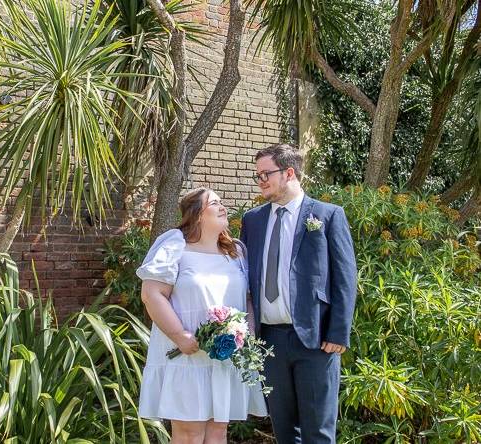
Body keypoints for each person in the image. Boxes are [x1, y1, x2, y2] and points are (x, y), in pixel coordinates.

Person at [240, 143, 357, 444]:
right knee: (283, 429)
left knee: (318, 431)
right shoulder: (252, 221)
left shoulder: (328, 215)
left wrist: (339, 332)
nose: (261, 180)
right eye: (258, 175)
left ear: (289, 172)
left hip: (316, 340)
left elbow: (345, 278)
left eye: (266, 174)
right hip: (270, 341)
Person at [136, 187, 267, 444]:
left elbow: (249, 299)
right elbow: (152, 294)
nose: (223, 206)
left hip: (224, 358)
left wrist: (245, 335)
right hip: (186, 358)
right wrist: (181, 336)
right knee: (189, 435)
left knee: (218, 432)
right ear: (197, 215)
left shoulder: (236, 252)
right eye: (215, 203)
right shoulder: (176, 245)